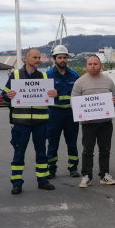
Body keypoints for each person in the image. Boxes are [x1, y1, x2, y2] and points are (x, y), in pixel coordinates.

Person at [2, 48, 59, 194]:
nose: (38, 60)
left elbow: (51, 97)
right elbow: (4, 94)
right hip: (21, 123)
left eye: (39, 58)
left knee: (41, 153)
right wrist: (8, 95)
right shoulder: (15, 75)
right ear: (26, 59)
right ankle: (16, 183)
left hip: (41, 123)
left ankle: (43, 180)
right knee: (19, 153)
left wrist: (54, 94)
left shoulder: (44, 77)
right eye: (35, 57)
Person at [72, 54, 115, 187]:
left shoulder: (108, 81)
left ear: (100, 65)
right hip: (88, 124)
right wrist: (81, 114)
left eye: (95, 64)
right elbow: (73, 101)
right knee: (88, 150)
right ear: (86, 66)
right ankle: (86, 176)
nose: (92, 66)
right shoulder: (80, 82)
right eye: (90, 64)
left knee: (105, 150)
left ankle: (104, 174)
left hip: (105, 122)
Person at [46, 44, 80, 178]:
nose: (62, 60)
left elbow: (79, 94)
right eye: (59, 57)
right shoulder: (47, 75)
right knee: (53, 142)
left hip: (71, 113)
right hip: (54, 113)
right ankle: (51, 168)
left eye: (64, 57)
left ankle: (73, 168)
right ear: (54, 59)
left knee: (72, 143)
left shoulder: (74, 75)